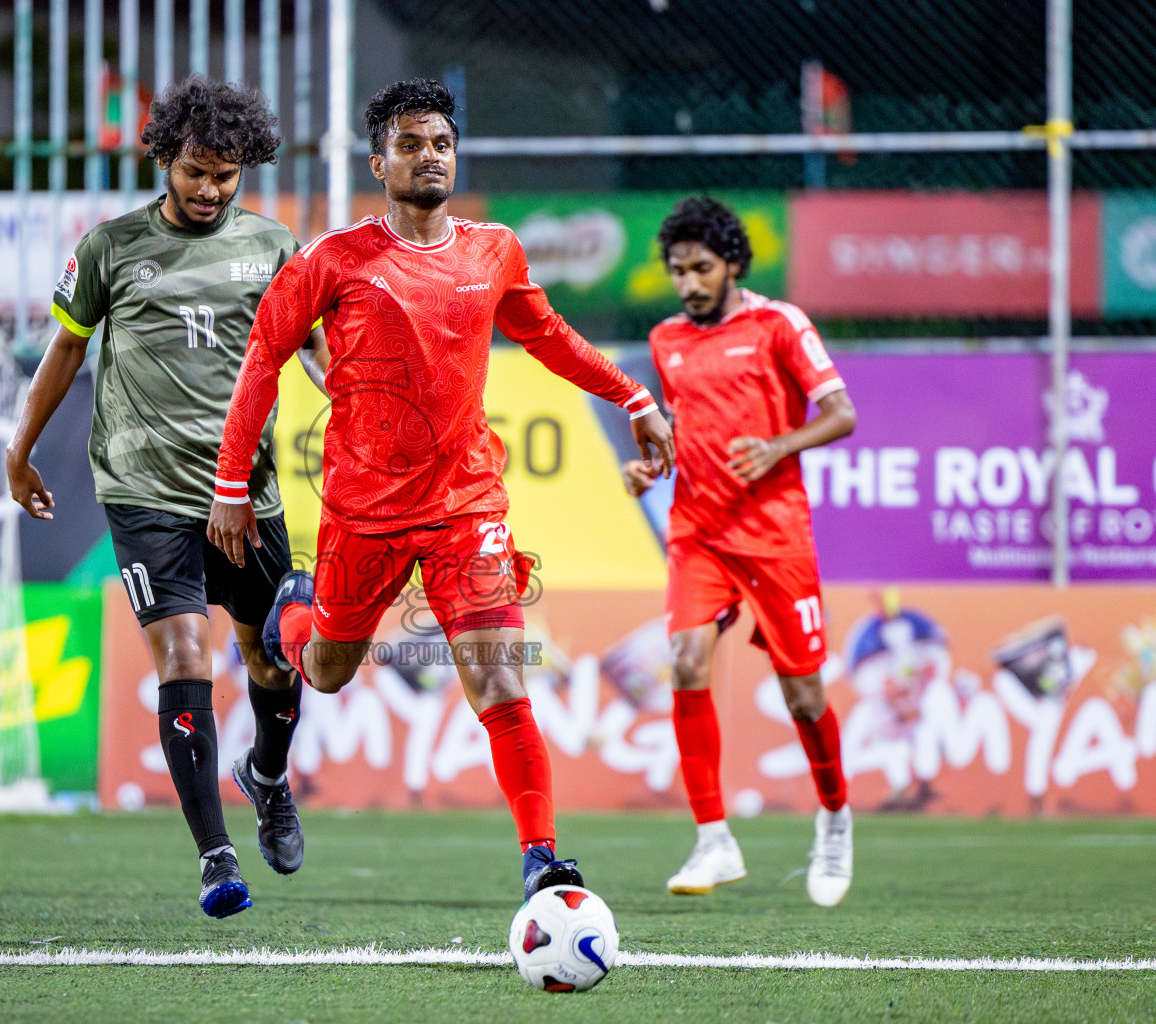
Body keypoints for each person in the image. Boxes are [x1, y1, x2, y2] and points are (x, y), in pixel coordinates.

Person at [207, 78, 675, 901]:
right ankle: (293, 608)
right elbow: (261, 363)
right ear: (378, 160)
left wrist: (635, 397)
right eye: (413, 143)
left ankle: (542, 857)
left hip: (468, 511)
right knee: (325, 671)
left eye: (443, 143)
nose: (432, 156)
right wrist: (231, 484)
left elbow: (553, 339)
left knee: (498, 678)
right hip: (364, 515)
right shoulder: (331, 260)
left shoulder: (493, 250)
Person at [6, 76, 327, 919]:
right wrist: (19, 446)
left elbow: (318, 353)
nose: (210, 189)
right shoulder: (110, 248)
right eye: (194, 171)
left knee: (271, 658)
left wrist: (360, 418)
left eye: (226, 175)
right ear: (163, 159)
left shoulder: (275, 246)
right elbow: (66, 352)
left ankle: (268, 774)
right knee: (185, 659)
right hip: (145, 490)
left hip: (247, 493)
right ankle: (216, 856)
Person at [622, 196, 858, 907]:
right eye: (677, 271)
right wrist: (652, 467)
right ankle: (713, 838)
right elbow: (683, 427)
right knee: (688, 659)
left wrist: (780, 446)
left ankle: (835, 817)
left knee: (803, 691)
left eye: (701, 268)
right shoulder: (666, 339)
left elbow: (842, 413)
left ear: (732, 265)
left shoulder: (779, 324)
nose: (689, 283)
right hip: (698, 532)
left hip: (776, 535)